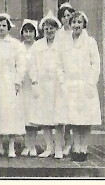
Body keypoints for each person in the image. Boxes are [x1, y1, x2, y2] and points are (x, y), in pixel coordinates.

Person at [55, 11, 101, 162]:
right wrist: (62, 82)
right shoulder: (65, 43)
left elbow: (96, 64)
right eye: (74, 22)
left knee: (85, 119)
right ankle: (76, 147)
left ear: (84, 24)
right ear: (70, 23)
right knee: (74, 118)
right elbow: (59, 64)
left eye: (79, 23)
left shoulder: (90, 42)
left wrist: (91, 82)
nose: (76, 25)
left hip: (86, 84)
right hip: (70, 85)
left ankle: (84, 148)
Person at [0, 13, 26, 158]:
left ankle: (11, 146)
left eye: (4, 25)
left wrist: (17, 81)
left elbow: (21, 65)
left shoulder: (15, 44)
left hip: (10, 83)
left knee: (10, 115)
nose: (1, 28)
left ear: (8, 27)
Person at [29, 11, 63, 159]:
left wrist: (63, 82)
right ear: (43, 30)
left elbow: (65, 65)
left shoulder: (62, 45)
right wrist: (35, 81)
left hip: (57, 85)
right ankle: (49, 147)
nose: (49, 31)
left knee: (59, 118)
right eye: (47, 28)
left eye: (52, 28)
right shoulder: (37, 46)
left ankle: (59, 148)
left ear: (56, 29)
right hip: (43, 86)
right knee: (45, 119)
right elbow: (32, 66)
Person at [56, 2, 76, 156]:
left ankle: (73, 143)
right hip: (61, 76)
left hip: (74, 76)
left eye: (69, 15)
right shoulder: (59, 35)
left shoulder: (76, 33)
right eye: (64, 16)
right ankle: (64, 142)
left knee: (74, 111)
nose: (67, 18)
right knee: (63, 113)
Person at [19, 19, 39, 157]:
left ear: (35, 33)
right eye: (25, 31)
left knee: (34, 115)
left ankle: (33, 145)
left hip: (34, 85)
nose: (28, 34)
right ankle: (26, 145)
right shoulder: (19, 47)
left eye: (31, 31)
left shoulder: (38, 47)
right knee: (24, 116)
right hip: (22, 85)